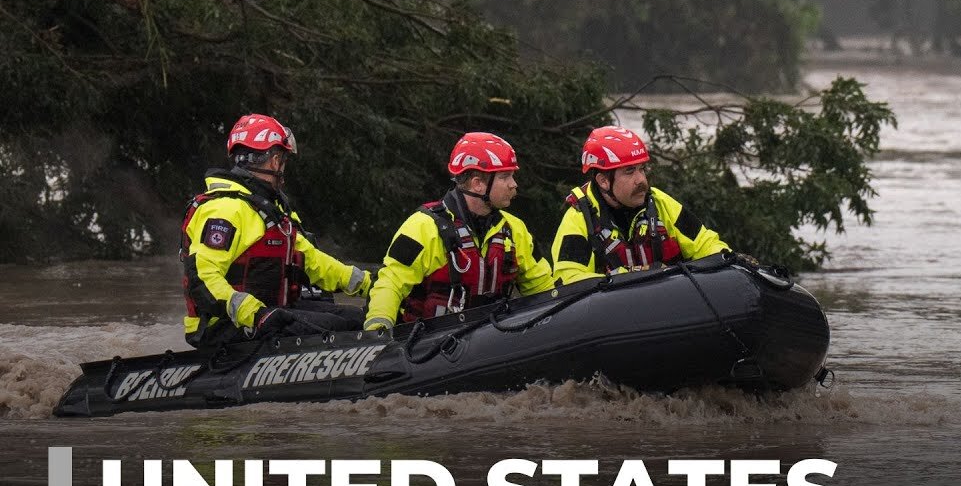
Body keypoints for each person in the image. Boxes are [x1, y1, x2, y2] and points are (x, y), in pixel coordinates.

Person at [180, 114, 372, 347]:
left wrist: (369, 284)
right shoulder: (225, 209)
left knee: (357, 318)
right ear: (274, 160)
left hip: (269, 314)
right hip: (227, 325)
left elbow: (312, 261)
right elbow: (202, 276)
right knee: (346, 327)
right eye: (283, 160)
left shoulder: (271, 210)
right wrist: (255, 314)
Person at [362, 132, 554, 332]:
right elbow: (390, 282)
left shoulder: (515, 230)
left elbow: (544, 288)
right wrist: (378, 327)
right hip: (426, 344)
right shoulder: (423, 226)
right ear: (477, 184)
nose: (514, 184)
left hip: (493, 340)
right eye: (505, 176)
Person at [551, 126, 730, 285]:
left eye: (642, 169)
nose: (641, 180)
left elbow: (706, 244)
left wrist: (727, 259)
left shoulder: (660, 203)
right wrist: (628, 277)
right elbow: (569, 279)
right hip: (612, 315)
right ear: (604, 181)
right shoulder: (579, 219)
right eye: (629, 171)